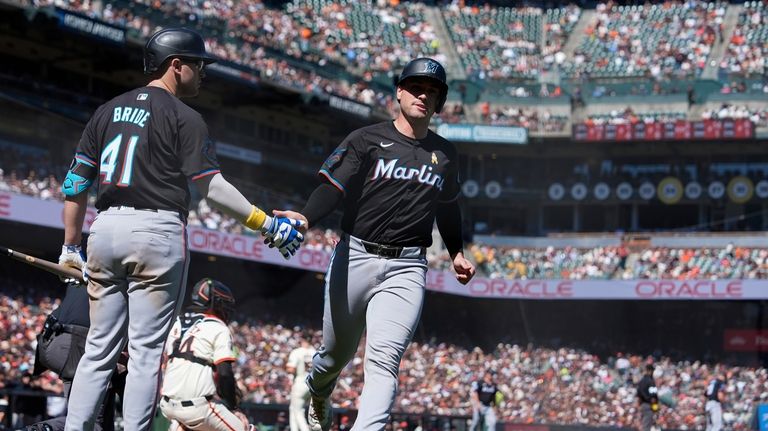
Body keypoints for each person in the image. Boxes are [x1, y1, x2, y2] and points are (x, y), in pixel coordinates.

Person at [57, 27, 305, 431]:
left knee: (98, 349)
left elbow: (74, 184)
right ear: (176, 65)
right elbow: (212, 188)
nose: (202, 73)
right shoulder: (184, 117)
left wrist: (70, 245)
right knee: (145, 353)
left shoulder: (106, 110)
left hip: (103, 229)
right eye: (198, 65)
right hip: (157, 231)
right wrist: (266, 222)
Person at [270, 57, 476, 431]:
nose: (423, 96)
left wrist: (457, 251)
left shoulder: (446, 154)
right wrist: (304, 218)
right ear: (399, 92)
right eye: (416, 88)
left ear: (439, 102)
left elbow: (447, 207)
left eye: (432, 92)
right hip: (356, 256)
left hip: (408, 266)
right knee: (335, 356)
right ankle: (319, 389)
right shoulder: (366, 139)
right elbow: (332, 189)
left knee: (384, 360)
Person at [26, 281, 125, 431]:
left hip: (56, 343)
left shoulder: (88, 266)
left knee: (97, 423)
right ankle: (43, 429)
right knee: (91, 422)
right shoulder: (125, 276)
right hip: (76, 345)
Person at [159, 278, 253, 431]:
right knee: (245, 427)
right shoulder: (217, 326)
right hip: (197, 408)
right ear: (213, 303)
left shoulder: (177, 323)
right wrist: (233, 407)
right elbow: (224, 373)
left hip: (167, 405)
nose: (225, 309)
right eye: (223, 303)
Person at [287, 337, 317, 431]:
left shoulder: (297, 351)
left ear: (302, 340)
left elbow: (291, 369)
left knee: (298, 411)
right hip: (313, 384)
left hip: (300, 383)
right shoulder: (315, 352)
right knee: (294, 408)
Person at [636, 364, 659, 431]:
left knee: (644, 424)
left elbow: (638, 396)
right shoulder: (650, 381)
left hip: (643, 405)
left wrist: (639, 406)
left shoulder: (641, 381)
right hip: (649, 405)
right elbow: (653, 397)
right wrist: (655, 408)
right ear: (650, 371)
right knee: (647, 426)